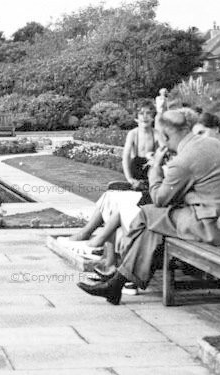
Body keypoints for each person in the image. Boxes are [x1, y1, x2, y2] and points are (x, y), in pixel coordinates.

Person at [77, 110, 220, 305]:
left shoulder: (184, 160)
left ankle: (118, 275)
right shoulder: (211, 144)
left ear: (164, 136)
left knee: (147, 214)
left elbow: (160, 199)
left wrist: (154, 170)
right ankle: (116, 283)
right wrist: (188, 195)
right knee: (152, 227)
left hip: (211, 225)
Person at [62, 101, 159, 287]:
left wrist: (154, 163)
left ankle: (97, 248)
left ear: (153, 116)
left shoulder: (157, 136)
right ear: (136, 117)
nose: (145, 117)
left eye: (149, 114)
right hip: (137, 176)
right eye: (142, 114)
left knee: (114, 201)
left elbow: (161, 156)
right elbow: (125, 158)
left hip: (151, 181)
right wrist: (130, 179)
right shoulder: (133, 134)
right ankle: (101, 252)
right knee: (111, 196)